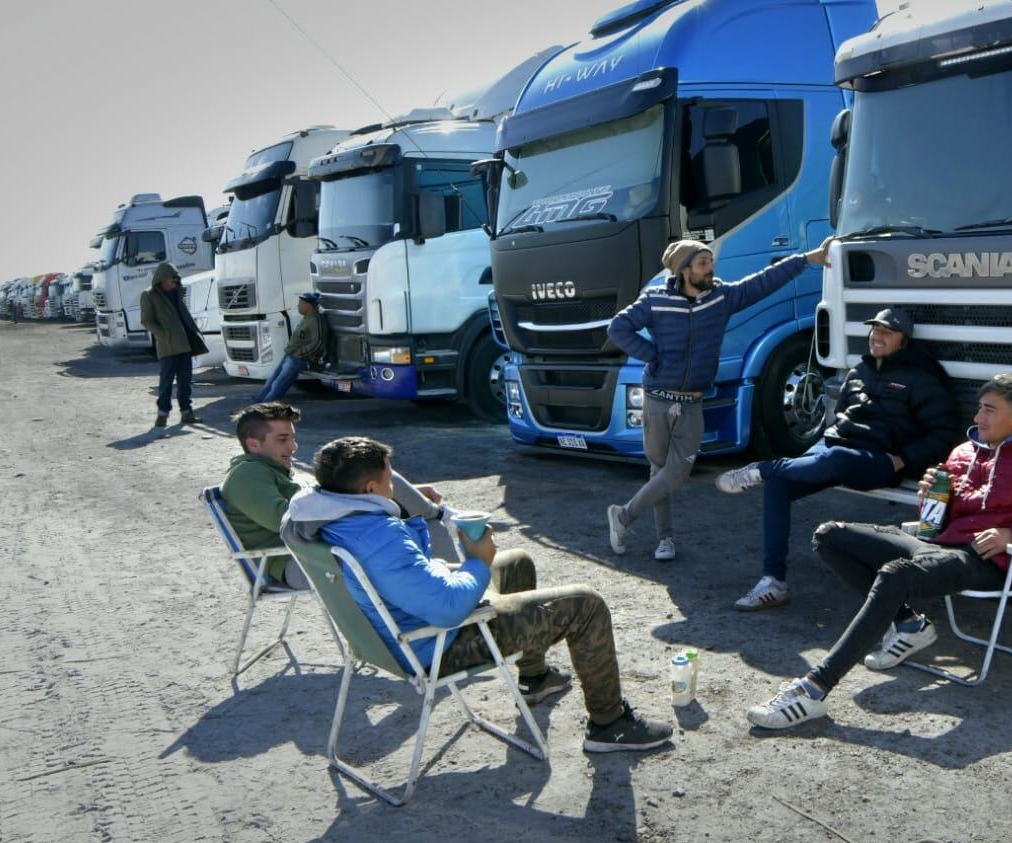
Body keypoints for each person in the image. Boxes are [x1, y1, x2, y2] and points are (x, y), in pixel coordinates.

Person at [746, 373, 1012, 730]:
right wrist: (931, 497)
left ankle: (813, 689)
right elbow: (936, 520)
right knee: (831, 536)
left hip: (988, 559)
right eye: (979, 408)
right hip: (939, 546)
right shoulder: (965, 452)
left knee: (896, 574)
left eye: (990, 410)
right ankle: (909, 624)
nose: (978, 418)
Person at [287, 436, 675, 753]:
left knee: (518, 561)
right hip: (436, 645)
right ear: (370, 488)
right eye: (389, 482)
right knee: (586, 603)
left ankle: (535, 678)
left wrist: (410, 513)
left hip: (391, 633)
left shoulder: (327, 516)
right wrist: (477, 560)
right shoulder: (377, 538)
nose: (393, 487)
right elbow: (448, 608)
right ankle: (609, 725)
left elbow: (405, 571)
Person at [604, 235, 837, 562]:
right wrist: (652, 357)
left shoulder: (721, 298)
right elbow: (618, 328)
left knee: (676, 473)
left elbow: (763, 282)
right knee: (659, 470)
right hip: (657, 399)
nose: (711, 268)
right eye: (703, 263)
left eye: (711, 262)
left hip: (692, 403)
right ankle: (665, 539)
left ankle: (623, 516)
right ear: (685, 270)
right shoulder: (655, 301)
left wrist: (806, 259)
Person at [715, 307, 960, 610]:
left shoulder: (921, 378)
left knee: (831, 459)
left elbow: (943, 432)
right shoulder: (860, 371)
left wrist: (905, 459)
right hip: (835, 450)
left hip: (880, 459)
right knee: (779, 483)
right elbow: (840, 419)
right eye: (875, 330)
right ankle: (773, 582)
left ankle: (762, 468)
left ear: (904, 340)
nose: (877, 337)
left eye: (887, 332)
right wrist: (818, 449)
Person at [220, 402, 445, 592]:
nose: (293, 446)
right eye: (282, 439)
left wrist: (395, 493)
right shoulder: (246, 474)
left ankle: (450, 599)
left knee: (380, 473)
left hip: (326, 550)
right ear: (253, 444)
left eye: (292, 438)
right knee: (422, 530)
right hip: (302, 561)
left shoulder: (275, 470)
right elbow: (289, 521)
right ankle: (452, 608)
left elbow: (327, 501)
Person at [139, 262, 208, 427]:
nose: (175, 282)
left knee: (186, 382)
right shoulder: (148, 295)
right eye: (173, 279)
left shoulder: (176, 293)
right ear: (162, 279)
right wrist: (163, 335)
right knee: (166, 383)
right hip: (168, 346)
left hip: (184, 344)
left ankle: (187, 413)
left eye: (177, 279)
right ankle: (162, 415)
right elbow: (146, 321)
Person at [252, 293, 325, 403]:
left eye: (301, 303)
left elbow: (319, 342)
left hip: (299, 358)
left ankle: (265, 407)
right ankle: (257, 404)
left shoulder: (315, 320)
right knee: (272, 381)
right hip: (290, 356)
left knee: (279, 384)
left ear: (308, 305)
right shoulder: (306, 319)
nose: (298, 305)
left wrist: (301, 352)